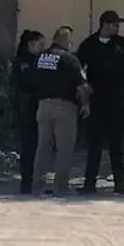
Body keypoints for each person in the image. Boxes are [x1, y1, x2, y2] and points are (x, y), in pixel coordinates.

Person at [76, 10, 124, 194]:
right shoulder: (89, 44)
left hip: (117, 99)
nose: (117, 27)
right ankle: (89, 184)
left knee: (117, 144)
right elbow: (78, 67)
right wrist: (84, 85)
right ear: (104, 24)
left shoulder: (122, 44)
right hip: (96, 100)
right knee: (94, 144)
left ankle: (120, 183)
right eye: (114, 24)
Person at [23, 27, 91, 196]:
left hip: (43, 105)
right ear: (64, 40)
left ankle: (38, 185)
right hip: (64, 107)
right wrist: (85, 104)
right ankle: (61, 187)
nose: (71, 43)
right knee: (64, 148)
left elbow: (30, 80)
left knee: (43, 148)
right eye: (69, 40)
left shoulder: (40, 58)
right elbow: (82, 86)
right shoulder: (69, 59)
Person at [11, 30, 46, 194]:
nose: (42, 48)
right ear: (30, 45)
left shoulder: (36, 60)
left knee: (39, 146)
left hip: (35, 107)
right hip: (27, 108)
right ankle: (27, 182)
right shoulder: (23, 62)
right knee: (29, 147)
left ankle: (36, 180)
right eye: (40, 45)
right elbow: (27, 82)